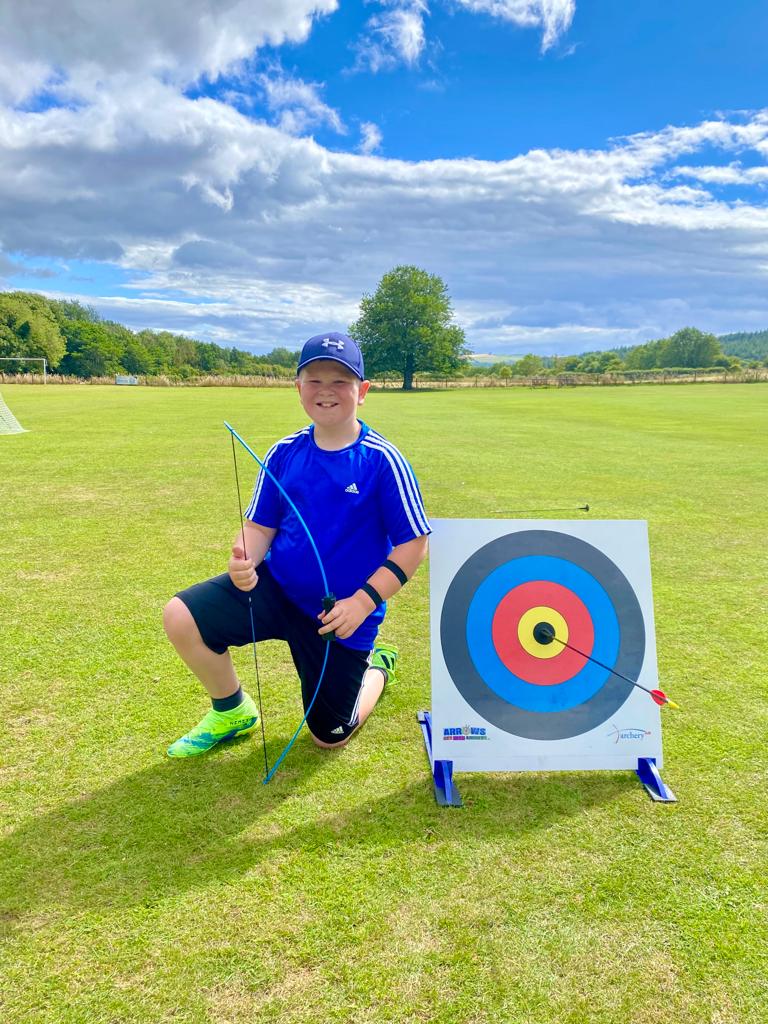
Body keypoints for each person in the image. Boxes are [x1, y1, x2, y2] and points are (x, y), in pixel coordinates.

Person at [163, 331, 431, 758]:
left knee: (330, 736)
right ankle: (232, 709)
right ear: (299, 389)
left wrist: (361, 603)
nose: (326, 391)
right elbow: (259, 525)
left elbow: (413, 545)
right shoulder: (283, 453)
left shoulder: (383, 460)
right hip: (277, 591)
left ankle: (377, 668)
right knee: (181, 616)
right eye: (314, 380)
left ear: (362, 392)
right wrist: (243, 558)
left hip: (340, 615)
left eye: (340, 382)